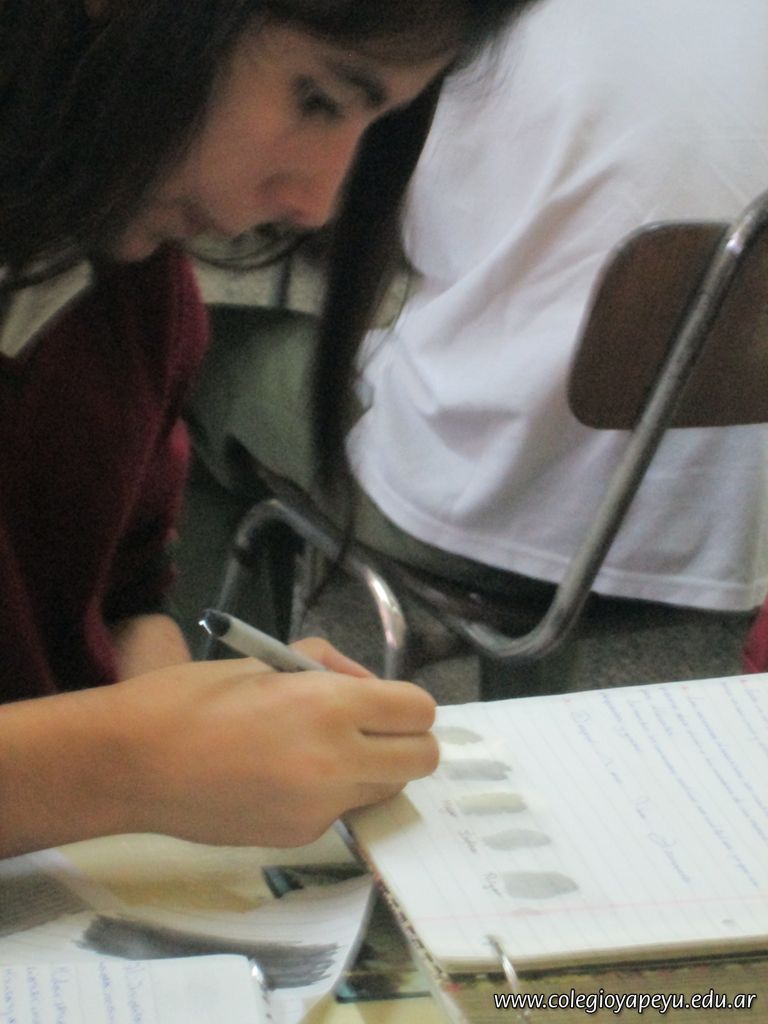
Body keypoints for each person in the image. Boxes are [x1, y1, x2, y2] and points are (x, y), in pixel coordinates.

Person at [0, 0, 535, 859]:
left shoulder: (134, 293)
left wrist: (214, 728)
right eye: (316, 99)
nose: (315, 202)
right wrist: (131, 760)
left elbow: (124, 598)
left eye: (374, 124)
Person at [185, 0, 768, 690]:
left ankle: (207, 705)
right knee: (527, 353)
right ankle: (530, 722)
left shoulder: (456, 28)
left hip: (503, 519)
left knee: (189, 358)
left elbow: (350, 219)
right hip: (729, 535)